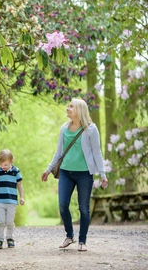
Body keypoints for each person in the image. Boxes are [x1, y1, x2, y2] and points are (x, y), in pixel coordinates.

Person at [41, 98, 108, 252]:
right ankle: (70, 235)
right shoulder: (64, 129)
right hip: (65, 172)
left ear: (80, 110)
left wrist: (102, 174)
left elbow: (97, 152)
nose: (68, 108)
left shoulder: (91, 129)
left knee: (84, 208)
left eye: (71, 106)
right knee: (62, 205)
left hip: (84, 174)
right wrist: (48, 169)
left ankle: (82, 241)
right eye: (68, 105)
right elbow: (58, 152)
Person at [0, 149, 24, 249]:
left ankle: (10, 238)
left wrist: (22, 197)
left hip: (12, 201)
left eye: (5, 164)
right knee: (0, 221)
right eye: (1, 164)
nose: (3, 167)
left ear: (11, 161)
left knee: (9, 222)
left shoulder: (16, 171)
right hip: (0, 201)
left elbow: (20, 185)